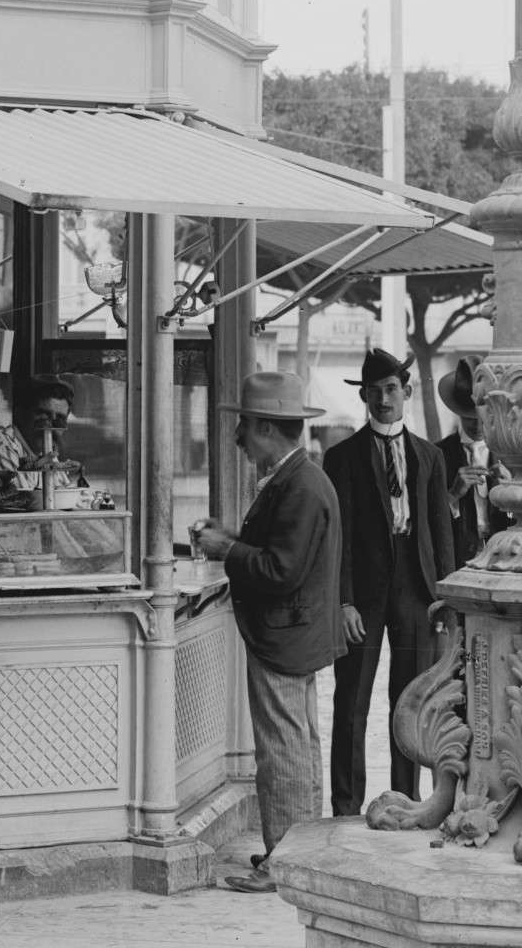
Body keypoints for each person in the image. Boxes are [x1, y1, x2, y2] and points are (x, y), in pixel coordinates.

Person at [196, 371, 344, 893]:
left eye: (243, 425)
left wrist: (225, 550)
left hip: (283, 636)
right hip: (296, 635)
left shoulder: (297, 486)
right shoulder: (300, 479)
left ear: (263, 427)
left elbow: (281, 570)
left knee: (281, 752)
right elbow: (286, 553)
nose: (237, 435)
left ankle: (284, 862)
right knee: (298, 746)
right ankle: (299, 855)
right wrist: (235, 539)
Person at [323, 348, 455, 818]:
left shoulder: (430, 457)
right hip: (362, 595)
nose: (383, 400)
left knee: (410, 701)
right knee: (351, 701)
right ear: (364, 396)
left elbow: (441, 533)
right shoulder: (341, 458)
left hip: (416, 593)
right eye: (374, 392)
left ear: (407, 392)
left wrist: (444, 601)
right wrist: (343, 602)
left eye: (391, 390)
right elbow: (336, 539)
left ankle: (406, 801)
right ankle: (344, 808)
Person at [436, 355, 511, 567]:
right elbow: (428, 520)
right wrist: (452, 495)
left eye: (482, 417)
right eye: (469, 417)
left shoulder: (509, 454)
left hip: (503, 558)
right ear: (456, 412)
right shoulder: (436, 454)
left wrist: (508, 490)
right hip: (456, 559)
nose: (477, 425)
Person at [0, 374, 80, 495]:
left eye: (60, 419)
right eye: (43, 416)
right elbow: (22, 506)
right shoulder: (2, 449)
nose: (51, 426)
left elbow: (64, 496)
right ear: (20, 414)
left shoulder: (45, 454)